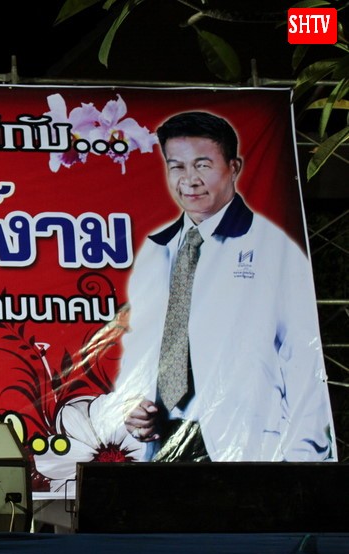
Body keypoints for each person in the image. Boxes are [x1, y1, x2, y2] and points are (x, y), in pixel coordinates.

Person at [112, 111, 335, 462]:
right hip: (164, 442)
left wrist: (303, 458)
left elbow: (303, 359)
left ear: (234, 167)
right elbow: (139, 347)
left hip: (245, 445)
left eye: (203, 165)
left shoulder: (274, 249)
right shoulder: (157, 251)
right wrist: (134, 406)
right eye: (177, 166)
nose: (190, 180)